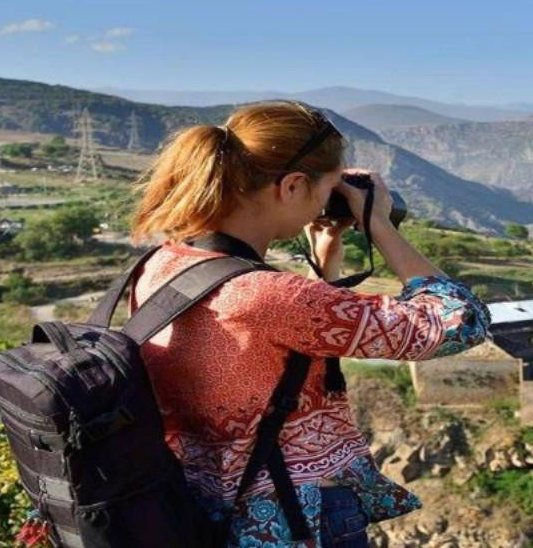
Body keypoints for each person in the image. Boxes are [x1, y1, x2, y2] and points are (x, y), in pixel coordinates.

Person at [128, 102, 490, 546]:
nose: (329, 201)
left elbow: (268, 352)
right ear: (294, 185)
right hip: (297, 515)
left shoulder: (161, 265)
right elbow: (459, 322)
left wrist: (324, 263)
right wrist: (380, 226)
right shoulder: (274, 297)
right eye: (329, 188)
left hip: (203, 506)